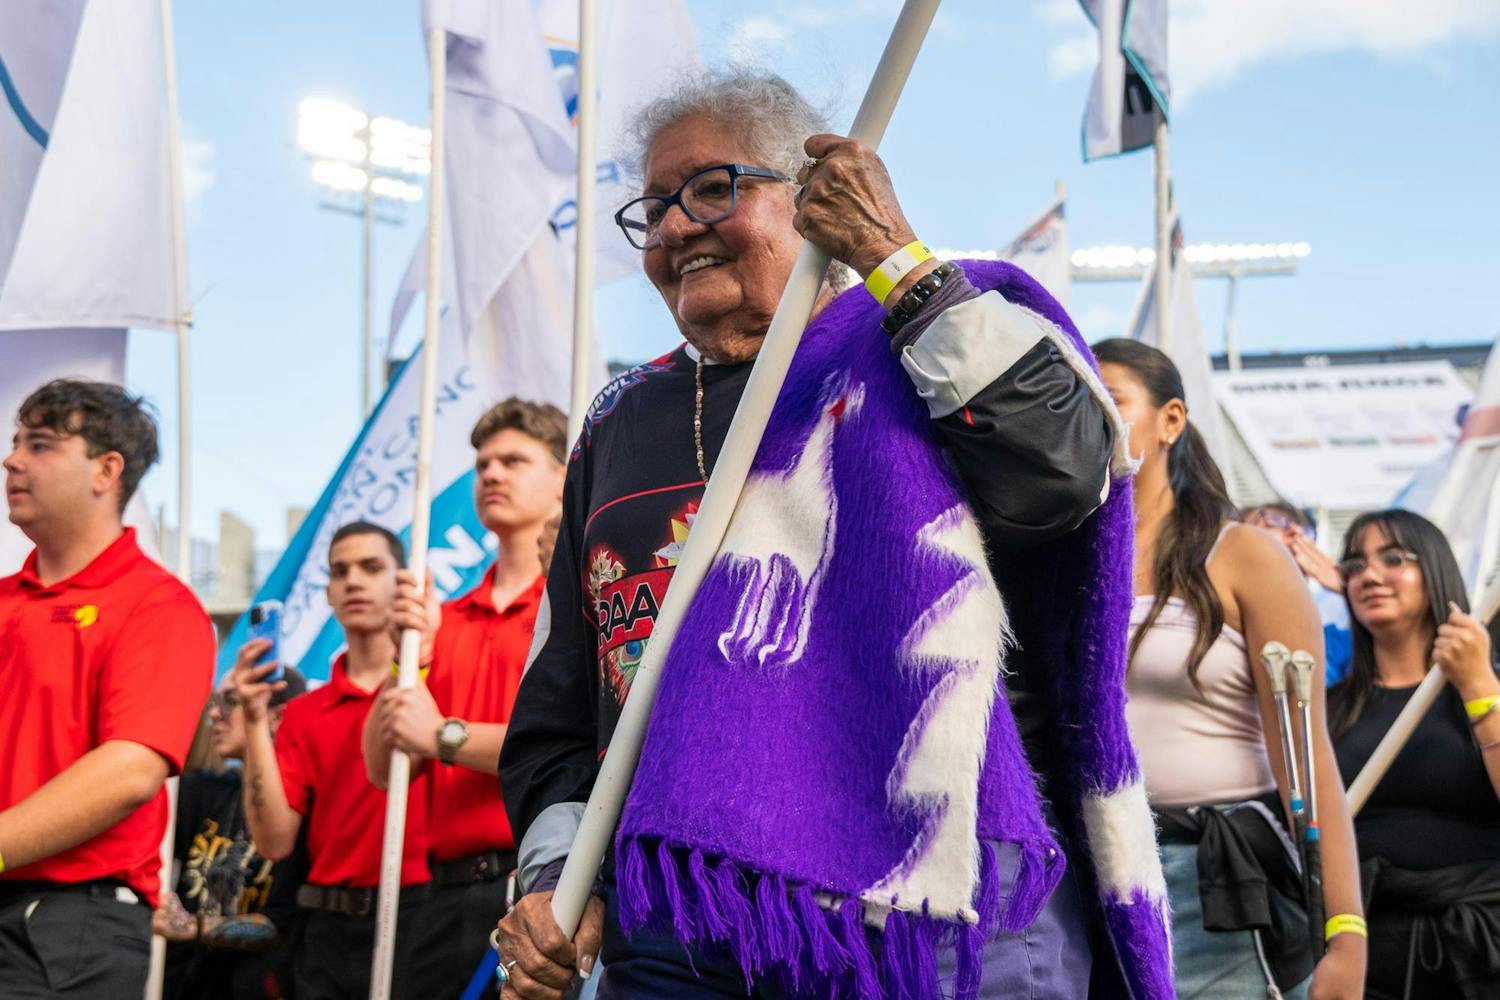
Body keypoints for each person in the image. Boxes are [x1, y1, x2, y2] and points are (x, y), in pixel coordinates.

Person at [496, 70, 1174, 1000]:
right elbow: (562, 711)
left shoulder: (929, 329)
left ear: (811, 197)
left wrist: (893, 255)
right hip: (685, 924)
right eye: (652, 209)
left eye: (711, 189)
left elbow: (1064, 468)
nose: (674, 229)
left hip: (932, 910)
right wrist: (556, 880)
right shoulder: (619, 422)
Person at [1093, 339, 1366, 1000]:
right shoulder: (1061, 552)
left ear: (1171, 421)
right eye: (1075, 399)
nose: (1090, 415)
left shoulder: (1243, 553)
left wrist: (1347, 931)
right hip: (1089, 872)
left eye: (1111, 399)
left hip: (1216, 883)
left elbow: (1306, 752)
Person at [0, 378, 215, 997]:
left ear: (106, 470)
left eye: (40, 444)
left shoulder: (158, 605)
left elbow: (129, 771)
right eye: (16, 442)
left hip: (66, 925)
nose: (12, 460)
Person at [364, 399, 567, 997]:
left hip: (541, 885)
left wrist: (443, 736)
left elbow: (571, 745)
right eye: (482, 465)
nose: (491, 474)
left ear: (563, 477)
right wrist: (408, 654)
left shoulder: (577, 606)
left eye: (513, 460)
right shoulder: (442, 618)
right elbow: (383, 767)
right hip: (443, 895)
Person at [235, 521, 430, 1000]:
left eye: (371, 567)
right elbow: (274, 841)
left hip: (423, 920)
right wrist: (255, 721)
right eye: (340, 572)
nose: (354, 581)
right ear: (327, 593)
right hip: (328, 934)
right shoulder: (303, 714)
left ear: (402, 580)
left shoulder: (432, 687)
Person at [1329, 508, 1500, 999]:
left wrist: (1479, 687)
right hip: (1368, 950)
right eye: (1355, 565)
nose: (1369, 576)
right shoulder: (1328, 707)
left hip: (1482, 950)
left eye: (1393, 558)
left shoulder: (1486, 686)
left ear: (1435, 568)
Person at [156, 668, 310, 1000]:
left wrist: (195, 927)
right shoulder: (208, 791)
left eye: (230, 702)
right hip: (184, 986)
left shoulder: (306, 809)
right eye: (213, 703)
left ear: (277, 716)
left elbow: (280, 924)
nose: (214, 714)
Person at [1243, 503, 1353, 684]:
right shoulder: (1216, 631)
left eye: (1306, 534)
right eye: (1273, 521)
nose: (1296, 532)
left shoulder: (1329, 645)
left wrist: (1348, 589)